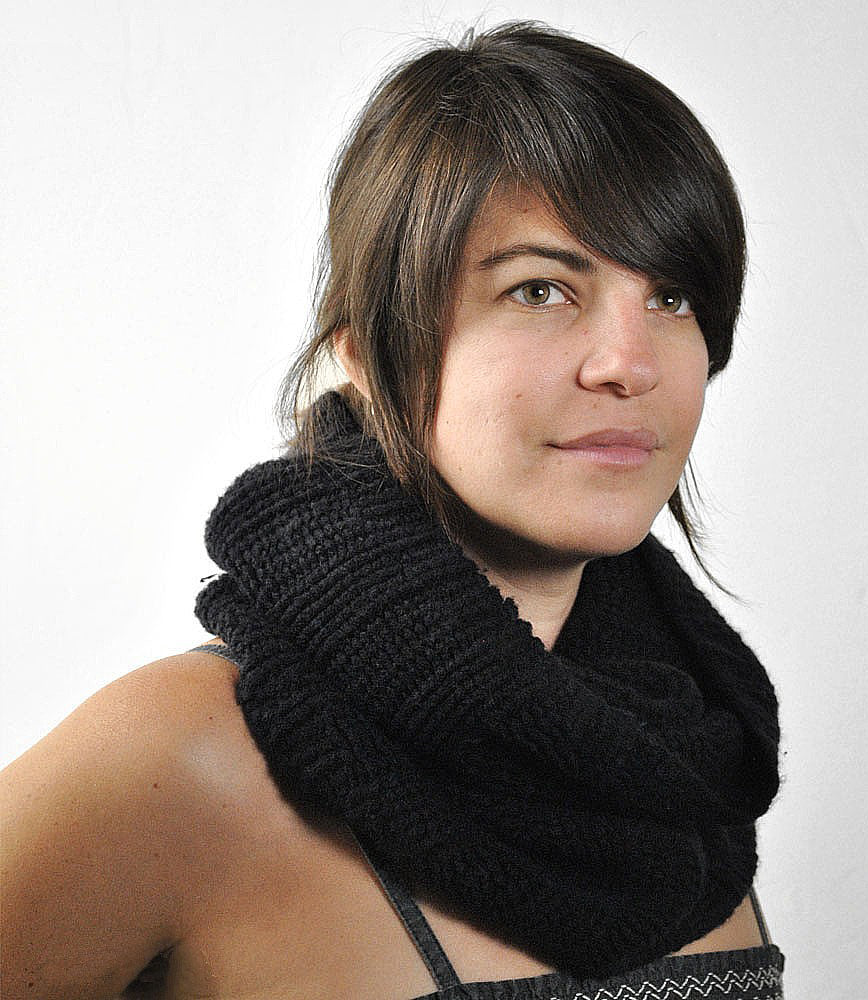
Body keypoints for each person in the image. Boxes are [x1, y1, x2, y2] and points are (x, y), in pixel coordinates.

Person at [0, 21, 783, 1000]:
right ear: (369, 352)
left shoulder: (676, 756)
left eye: (672, 298)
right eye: (540, 289)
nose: (630, 363)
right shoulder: (182, 756)